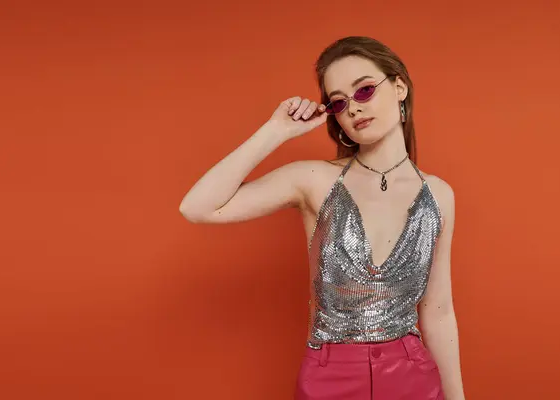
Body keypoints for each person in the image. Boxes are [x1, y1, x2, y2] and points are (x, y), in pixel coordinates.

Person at [179, 36, 465, 400]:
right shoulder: (315, 181)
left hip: (413, 378)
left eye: (364, 91)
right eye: (339, 103)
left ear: (399, 87)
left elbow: (438, 312)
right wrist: (277, 130)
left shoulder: (438, 195)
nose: (354, 110)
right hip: (330, 378)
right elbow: (198, 207)